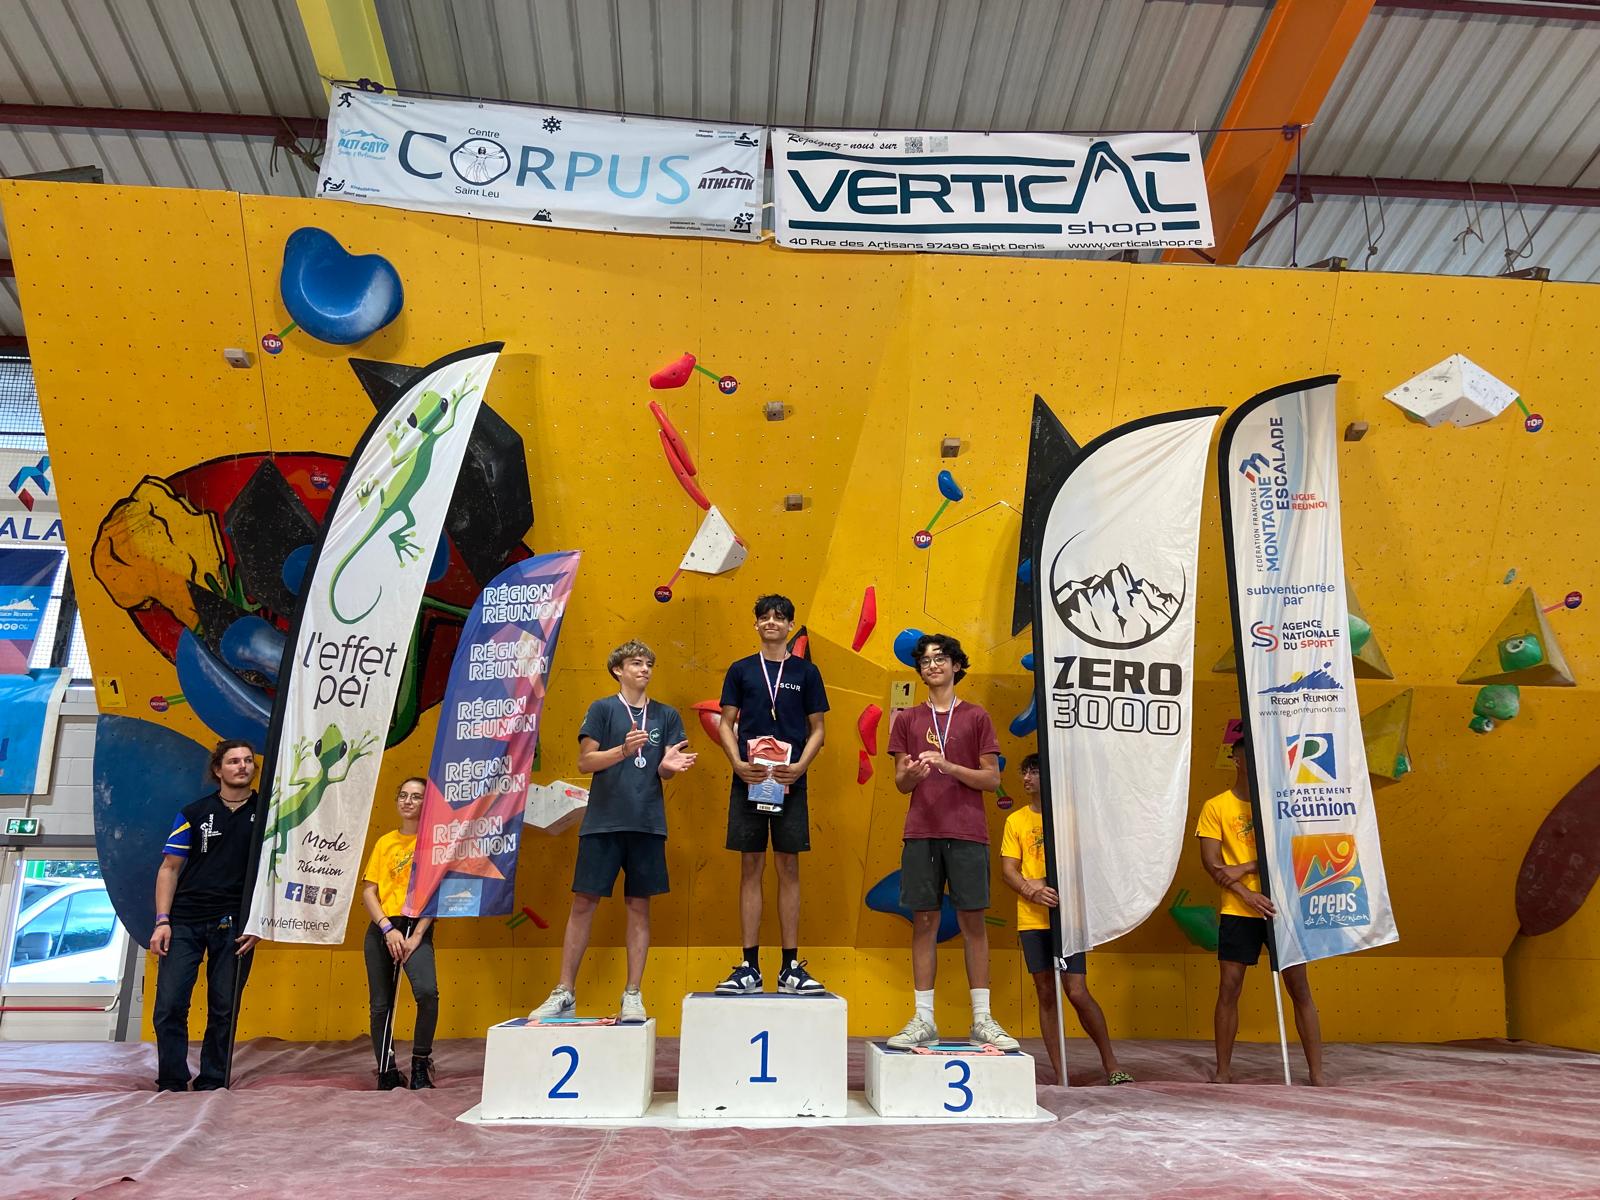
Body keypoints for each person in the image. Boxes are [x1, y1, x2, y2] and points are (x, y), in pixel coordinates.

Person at [529, 640, 695, 1023]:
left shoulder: (666, 715)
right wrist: (622, 750)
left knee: (639, 907)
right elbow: (585, 762)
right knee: (583, 904)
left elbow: (665, 770)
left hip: (647, 823)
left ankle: (632, 994)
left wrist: (668, 766)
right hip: (602, 822)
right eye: (636, 663)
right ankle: (564, 991)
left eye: (649, 664)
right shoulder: (602, 709)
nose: (645, 669)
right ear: (618, 669)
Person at [886, 633, 1016, 1050]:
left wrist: (949, 766)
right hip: (921, 831)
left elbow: (992, 779)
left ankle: (983, 1019)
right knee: (924, 922)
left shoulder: (976, 716)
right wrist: (913, 775)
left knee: (972, 922)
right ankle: (923, 1019)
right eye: (925, 661)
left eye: (940, 658)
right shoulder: (907, 719)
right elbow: (900, 783)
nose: (933, 665)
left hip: (967, 831)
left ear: (957, 665)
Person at [713, 595, 829, 995]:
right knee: (750, 865)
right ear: (756, 624)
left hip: (789, 779)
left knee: (788, 866)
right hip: (749, 778)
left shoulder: (806, 672)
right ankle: (749, 967)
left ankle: (789, 967)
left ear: (790, 624)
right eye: (764, 617)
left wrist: (800, 767)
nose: (771, 623)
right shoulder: (741, 670)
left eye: (779, 618)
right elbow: (726, 723)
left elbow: (818, 729)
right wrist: (736, 763)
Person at [1196, 729, 1325, 1086]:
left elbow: (1295, 851)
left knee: (1299, 987)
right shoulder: (1216, 806)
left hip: (1283, 907)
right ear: (1236, 760)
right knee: (1229, 987)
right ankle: (1223, 1071)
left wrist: (1248, 865)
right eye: (1248, 756)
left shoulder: (1280, 804)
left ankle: (1317, 1073)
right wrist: (1246, 892)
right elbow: (1212, 863)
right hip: (1239, 909)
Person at [999, 752, 1131, 1085]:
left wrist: (1046, 882)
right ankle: (1061, 1074)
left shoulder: (1071, 817)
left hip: (1068, 918)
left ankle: (1111, 1064)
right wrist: (1030, 891)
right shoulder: (1016, 821)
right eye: (1024, 771)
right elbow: (1009, 870)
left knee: (1076, 991)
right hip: (1032, 919)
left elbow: (1086, 862)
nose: (1026, 778)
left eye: (1034, 771)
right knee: (1046, 992)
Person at [149, 740, 260, 1092]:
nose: (242, 766)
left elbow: (277, 875)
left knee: (224, 1007)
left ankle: (213, 1079)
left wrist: (259, 923)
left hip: (236, 925)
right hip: (185, 921)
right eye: (233, 761)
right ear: (218, 769)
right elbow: (169, 868)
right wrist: (162, 921)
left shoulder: (269, 816)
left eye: (247, 761)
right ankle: (172, 1079)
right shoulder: (193, 813)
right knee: (169, 1005)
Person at [360, 776, 438, 1090]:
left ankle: (420, 1063)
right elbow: (369, 891)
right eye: (403, 795)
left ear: (427, 803)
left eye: (416, 796)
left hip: (416, 927)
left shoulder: (434, 844)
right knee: (381, 1004)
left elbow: (437, 895)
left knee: (427, 993)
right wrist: (387, 928)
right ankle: (387, 1069)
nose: (408, 801)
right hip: (384, 928)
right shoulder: (385, 842)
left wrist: (417, 936)